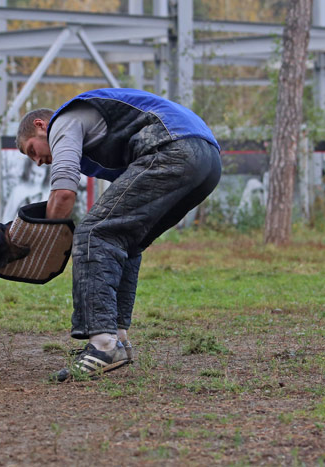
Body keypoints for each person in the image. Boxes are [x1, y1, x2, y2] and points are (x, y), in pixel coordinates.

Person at [16, 88, 222, 379]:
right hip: (208, 160)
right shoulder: (98, 138)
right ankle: (118, 339)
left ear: (40, 126)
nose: (36, 161)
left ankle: (103, 345)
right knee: (127, 240)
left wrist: (45, 243)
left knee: (93, 232)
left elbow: (63, 194)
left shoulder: (63, 120)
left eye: (31, 150)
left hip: (174, 147)